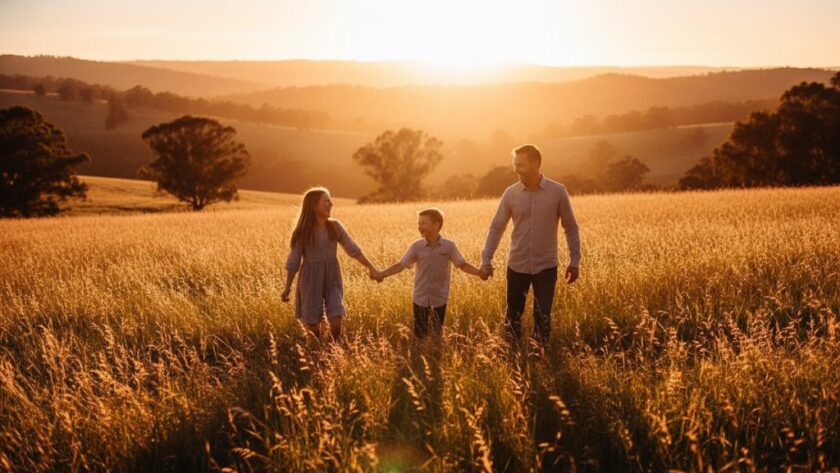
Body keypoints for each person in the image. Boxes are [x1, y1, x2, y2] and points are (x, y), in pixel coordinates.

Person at [480, 144, 581, 344]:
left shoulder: (557, 191)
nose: (516, 170)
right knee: (513, 318)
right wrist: (486, 259)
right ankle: (512, 360)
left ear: (536, 164)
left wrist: (574, 260)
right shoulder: (510, 193)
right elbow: (496, 227)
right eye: (515, 165)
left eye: (521, 165)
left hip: (546, 266)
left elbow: (570, 227)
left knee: (543, 316)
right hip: (517, 265)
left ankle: (540, 359)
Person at [281, 187, 379, 340]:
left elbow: (353, 249)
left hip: (332, 278)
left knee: (336, 319)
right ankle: (317, 356)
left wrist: (372, 268)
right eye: (326, 201)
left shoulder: (334, 226)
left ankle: (332, 351)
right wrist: (287, 288)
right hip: (310, 280)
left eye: (330, 200)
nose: (331, 204)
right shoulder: (302, 232)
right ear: (314, 205)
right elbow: (293, 262)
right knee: (313, 329)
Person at [375, 208, 486, 338]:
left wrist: (479, 272)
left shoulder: (449, 246)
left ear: (436, 225)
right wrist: (382, 274)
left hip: (439, 299)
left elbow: (462, 264)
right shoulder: (416, 246)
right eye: (419, 224)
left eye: (423, 223)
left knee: (436, 335)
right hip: (420, 299)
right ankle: (419, 356)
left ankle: (434, 356)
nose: (420, 227)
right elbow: (401, 265)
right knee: (419, 335)